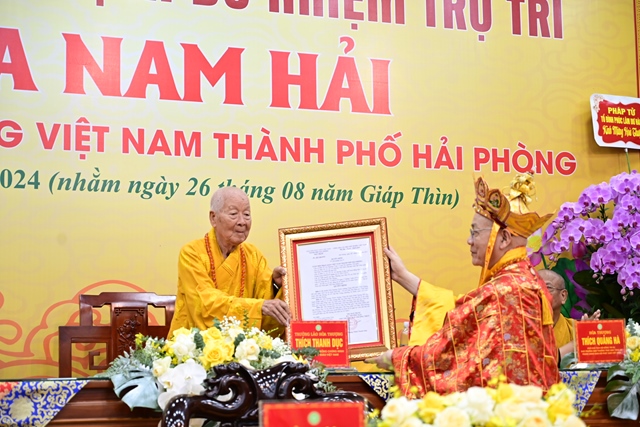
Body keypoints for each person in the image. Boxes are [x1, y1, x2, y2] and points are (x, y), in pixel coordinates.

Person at [371, 173, 559, 397]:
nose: (469, 241)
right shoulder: (527, 281)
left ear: (504, 239)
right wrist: (403, 276)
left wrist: (398, 358)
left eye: (475, 232)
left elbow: (450, 356)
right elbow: (466, 313)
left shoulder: (505, 290)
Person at [168, 186, 291, 338]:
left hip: (245, 346)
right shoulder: (192, 253)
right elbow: (204, 303)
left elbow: (266, 307)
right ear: (213, 218)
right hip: (195, 344)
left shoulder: (253, 255)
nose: (242, 222)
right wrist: (257, 307)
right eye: (233, 214)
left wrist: (275, 284)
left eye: (247, 214)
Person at [538, 269, 600, 355]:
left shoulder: (574, 329)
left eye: (547, 287)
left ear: (563, 296)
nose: (540, 293)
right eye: (534, 288)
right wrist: (577, 342)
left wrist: (588, 337)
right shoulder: (522, 329)